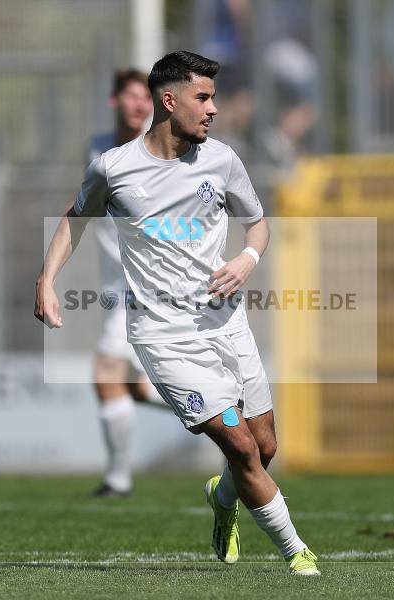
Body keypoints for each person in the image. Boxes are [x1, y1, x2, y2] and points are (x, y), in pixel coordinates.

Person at [35, 51, 320, 576]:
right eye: (204, 98)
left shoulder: (222, 160)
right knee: (239, 445)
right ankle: (297, 552)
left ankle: (222, 499)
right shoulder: (115, 168)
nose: (214, 109)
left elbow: (258, 224)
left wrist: (246, 258)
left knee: (263, 446)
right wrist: (47, 279)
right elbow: (75, 219)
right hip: (162, 335)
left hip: (226, 321)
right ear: (170, 101)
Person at [88, 69, 169, 498]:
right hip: (116, 288)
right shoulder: (99, 147)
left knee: (105, 373)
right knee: (137, 387)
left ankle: (118, 480)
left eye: (146, 98)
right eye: (132, 96)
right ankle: (223, 411)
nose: (140, 104)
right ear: (113, 101)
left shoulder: (154, 149)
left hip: (143, 287)